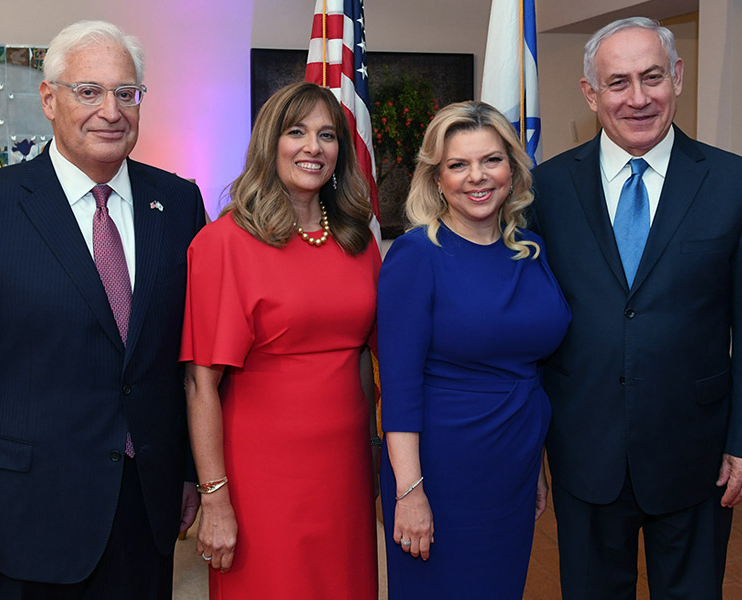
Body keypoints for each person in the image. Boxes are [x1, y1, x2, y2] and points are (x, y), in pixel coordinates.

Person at [0, 20, 205, 599]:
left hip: (147, 509)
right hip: (25, 519)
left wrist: (189, 472)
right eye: (89, 91)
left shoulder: (180, 203)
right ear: (48, 99)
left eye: (126, 93)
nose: (111, 110)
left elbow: (185, 358)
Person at [531, 16, 742, 599]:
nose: (638, 97)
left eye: (652, 77)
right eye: (618, 82)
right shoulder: (543, 190)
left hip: (696, 453)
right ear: (590, 93)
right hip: (582, 449)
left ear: (677, 77)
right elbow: (525, 325)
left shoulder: (732, 182)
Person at [179, 81, 380, 599]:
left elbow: (375, 356)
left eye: (327, 135)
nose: (313, 147)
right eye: (297, 132)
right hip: (261, 474)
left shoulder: (358, 239)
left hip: (346, 470)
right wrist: (215, 499)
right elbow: (201, 384)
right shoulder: (224, 243)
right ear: (271, 143)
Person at [378, 100, 571, 598]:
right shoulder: (416, 255)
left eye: (491, 160)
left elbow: (533, 363)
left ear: (512, 166)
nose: (476, 177)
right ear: (436, 178)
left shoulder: (532, 250)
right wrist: (410, 492)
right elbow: (398, 387)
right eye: (457, 164)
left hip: (515, 461)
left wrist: (538, 469)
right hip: (441, 469)